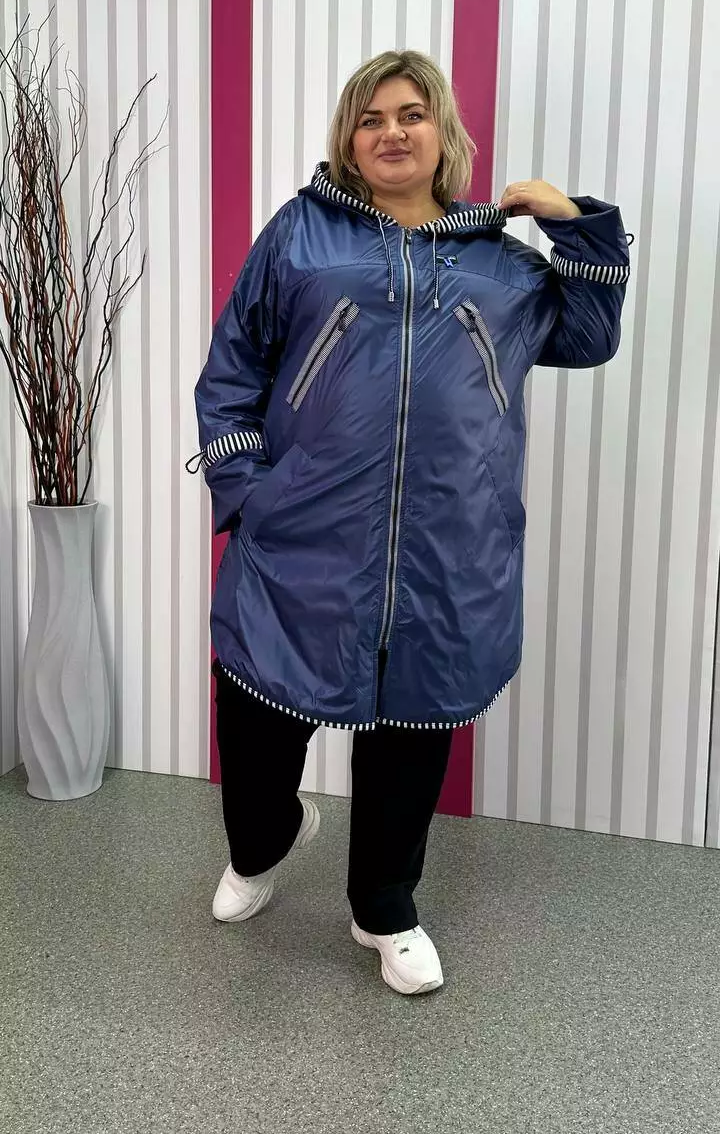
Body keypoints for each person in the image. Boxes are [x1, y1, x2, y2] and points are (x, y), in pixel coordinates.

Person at [188, 49, 631, 996]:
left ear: (443, 134)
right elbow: (232, 371)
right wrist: (248, 495)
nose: (391, 131)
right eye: (371, 117)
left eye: (411, 113)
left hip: (447, 550)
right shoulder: (301, 236)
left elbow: (589, 337)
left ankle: (384, 906)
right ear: (349, 140)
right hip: (301, 541)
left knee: (412, 733)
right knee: (257, 726)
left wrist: (576, 224)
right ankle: (264, 841)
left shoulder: (500, 263)